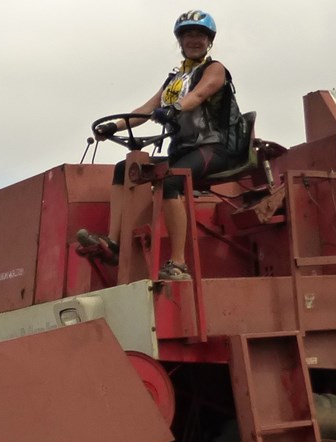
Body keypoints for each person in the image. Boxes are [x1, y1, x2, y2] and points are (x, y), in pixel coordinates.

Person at [76, 10, 245, 282]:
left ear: (209, 41)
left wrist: (174, 109)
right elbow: (146, 109)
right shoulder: (175, 79)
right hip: (184, 150)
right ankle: (113, 243)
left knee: (172, 181)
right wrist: (115, 126)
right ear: (180, 41)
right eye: (188, 35)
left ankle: (178, 263)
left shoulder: (215, 70)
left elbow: (199, 95)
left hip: (213, 148)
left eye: (200, 35)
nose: (194, 40)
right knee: (124, 169)